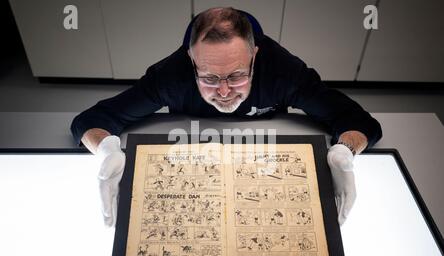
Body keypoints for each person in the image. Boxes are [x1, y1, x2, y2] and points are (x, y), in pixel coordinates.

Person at [71, 7, 382, 227]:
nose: (223, 91)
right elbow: (93, 120)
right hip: (192, 162)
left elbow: (355, 119)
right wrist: (107, 150)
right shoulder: (170, 76)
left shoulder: (282, 71)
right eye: (208, 78)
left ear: (255, 56)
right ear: (191, 60)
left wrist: (345, 151)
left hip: (265, 161)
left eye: (236, 76)